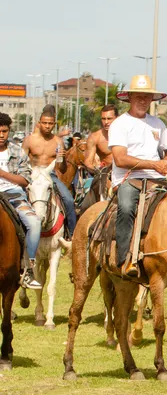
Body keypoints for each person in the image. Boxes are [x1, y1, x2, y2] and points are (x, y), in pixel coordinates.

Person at [108, 76, 167, 278]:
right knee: (128, 208)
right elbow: (120, 159)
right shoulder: (120, 124)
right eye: (138, 96)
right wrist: (154, 164)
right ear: (129, 97)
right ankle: (125, 259)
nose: (142, 100)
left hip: (158, 180)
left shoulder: (158, 123)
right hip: (129, 179)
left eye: (146, 97)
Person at [0, 112, 42, 289]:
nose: (1, 135)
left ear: (9, 131)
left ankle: (28, 269)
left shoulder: (17, 151)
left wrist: (3, 174)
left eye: (4, 131)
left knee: (34, 223)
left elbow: (25, 180)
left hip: (13, 195)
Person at [22, 105, 77, 239]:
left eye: (50, 123)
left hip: (50, 176)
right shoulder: (29, 140)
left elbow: (62, 169)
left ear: (54, 124)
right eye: (45, 123)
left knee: (69, 200)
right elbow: (21, 163)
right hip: (31, 175)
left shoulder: (58, 142)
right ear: (39, 123)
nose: (47, 126)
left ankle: (71, 235)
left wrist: (62, 159)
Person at [83, 105, 119, 171]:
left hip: (127, 175)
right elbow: (88, 162)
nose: (106, 122)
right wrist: (98, 171)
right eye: (103, 118)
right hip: (107, 176)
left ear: (117, 118)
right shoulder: (95, 137)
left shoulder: (127, 135)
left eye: (109, 118)